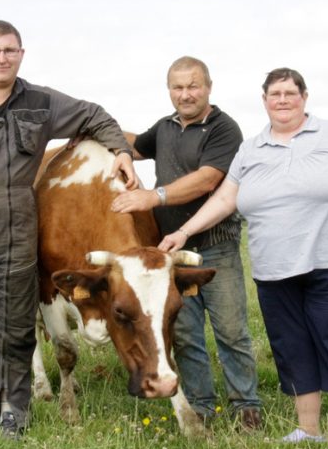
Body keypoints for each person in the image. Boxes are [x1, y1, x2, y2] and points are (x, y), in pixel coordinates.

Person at [0, 20, 137, 441]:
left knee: (14, 330)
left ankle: (11, 412)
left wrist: (122, 152)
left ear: (21, 54)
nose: (2, 58)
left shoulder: (41, 102)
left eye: (10, 50)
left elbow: (95, 115)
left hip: (17, 232)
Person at [159, 67, 328, 449]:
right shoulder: (252, 148)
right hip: (274, 269)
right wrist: (183, 232)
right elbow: (226, 199)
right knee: (291, 346)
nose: (282, 100)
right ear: (264, 101)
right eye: (274, 94)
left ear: (304, 97)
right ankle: (308, 428)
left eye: (289, 93)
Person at [111, 56, 262, 429]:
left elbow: (207, 180)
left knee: (230, 330)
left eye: (193, 86)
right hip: (172, 256)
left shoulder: (224, 129)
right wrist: (101, 129)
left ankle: (246, 406)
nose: (186, 94)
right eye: (178, 87)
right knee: (185, 334)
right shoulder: (164, 128)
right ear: (169, 91)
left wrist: (154, 196)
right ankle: (203, 408)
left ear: (208, 87)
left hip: (215, 246)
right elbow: (135, 144)